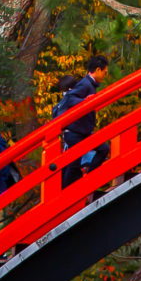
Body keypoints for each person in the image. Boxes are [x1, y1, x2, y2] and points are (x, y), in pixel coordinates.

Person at [52, 54, 109, 189]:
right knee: (75, 164)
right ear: (98, 70)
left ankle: (68, 188)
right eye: (105, 72)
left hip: (80, 132)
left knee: (74, 164)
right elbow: (70, 98)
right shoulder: (85, 84)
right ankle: (66, 191)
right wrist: (86, 101)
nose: (105, 75)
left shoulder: (90, 84)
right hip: (76, 133)